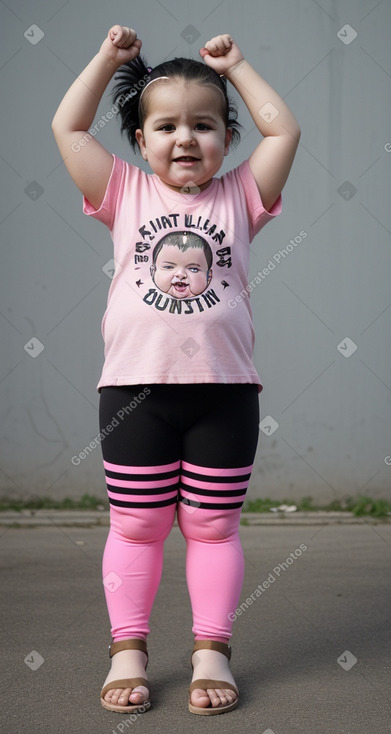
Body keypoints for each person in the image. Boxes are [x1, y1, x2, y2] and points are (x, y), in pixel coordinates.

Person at [52, 24, 300, 716]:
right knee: (135, 525)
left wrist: (240, 67)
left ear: (226, 137)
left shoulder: (239, 198)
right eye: (165, 126)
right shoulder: (125, 194)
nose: (184, 138)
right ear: (139, 142)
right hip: (135, 394)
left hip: (224, 397)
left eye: (204, 125)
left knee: (213, 527)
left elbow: (283, 134)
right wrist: (107, 59)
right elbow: (68, 126)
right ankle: (126, 649)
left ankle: (211, 650)